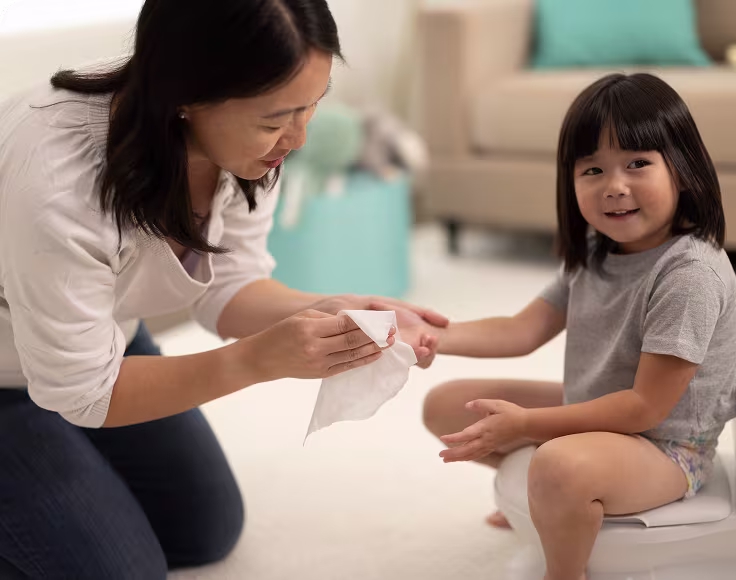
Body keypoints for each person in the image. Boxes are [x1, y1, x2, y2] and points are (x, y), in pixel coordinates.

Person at [0, 0, 444, 577]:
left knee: (203, 527)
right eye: (275, 119)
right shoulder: (59, 180)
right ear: (184, 95)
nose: (299, 138)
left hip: (97, 338)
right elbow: (85, 393)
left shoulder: (240, 150)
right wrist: (254, 361)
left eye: (313, 105)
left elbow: (226, 288)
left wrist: (327, 308)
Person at [420, 73, 736, 580]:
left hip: (667, 448)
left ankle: (563, 566)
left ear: (682, 167)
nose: (614, 186)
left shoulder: (689, 275)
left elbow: (644, 409)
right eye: (592, 169)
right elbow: (521, 330)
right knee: (446, 404)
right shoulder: (598, 250)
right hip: (596, 412)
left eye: (637, 163)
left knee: (558, 469)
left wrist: (526, 425)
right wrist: (434, 336)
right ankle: (553, 505)